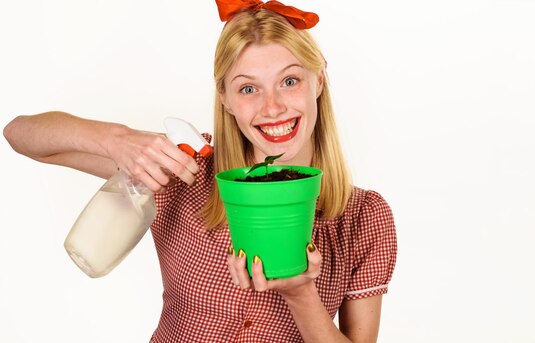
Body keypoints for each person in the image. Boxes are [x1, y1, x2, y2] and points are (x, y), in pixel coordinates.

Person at [3, 1, 397, 342]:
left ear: (319, 79)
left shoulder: (363, 218)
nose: (272, 107)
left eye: (289, 81)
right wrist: (117, 140)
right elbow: (20, 134)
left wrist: (301, 297)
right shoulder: (184, 167)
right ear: (224, 98)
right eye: (248, 89)